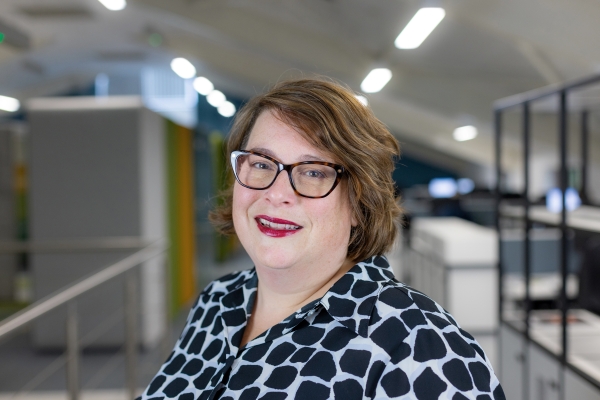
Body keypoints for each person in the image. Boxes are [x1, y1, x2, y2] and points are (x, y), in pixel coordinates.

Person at [139, 78, 505, 400]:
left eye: (314, 171)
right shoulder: (217, 302)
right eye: (262, 164)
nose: (278, 193)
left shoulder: (419, 347)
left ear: (360, 203)